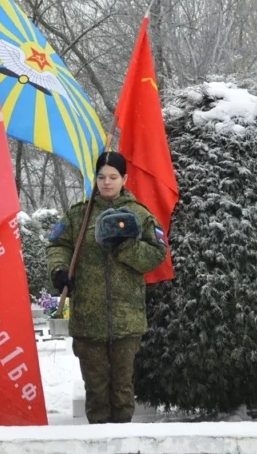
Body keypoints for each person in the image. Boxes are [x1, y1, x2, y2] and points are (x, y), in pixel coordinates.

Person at [47, 151, 167, 424]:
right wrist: (59, 270)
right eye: (101, 177)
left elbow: (157, 254)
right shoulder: (79, 215)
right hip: (88, 320)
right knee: (97, 394)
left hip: (127, 321)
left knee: (123, 392)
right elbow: (57, 245)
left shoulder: (140, 215)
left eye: (113, 177)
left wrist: (125, 247)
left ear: (125, 178)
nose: (107, 183)